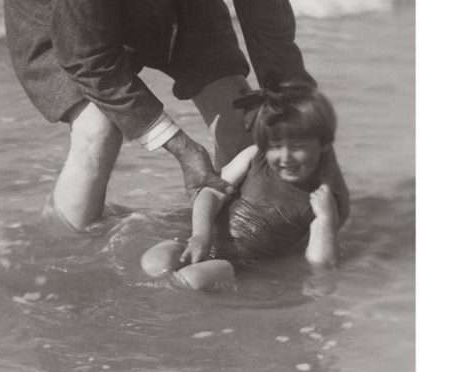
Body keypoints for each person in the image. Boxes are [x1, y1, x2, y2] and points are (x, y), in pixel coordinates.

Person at [3, 0, 319, 231]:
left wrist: (293, 111)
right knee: (98, 132)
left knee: (238, 111)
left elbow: (269, 29)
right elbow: (88, 61)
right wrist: (183, 149)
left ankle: (238, 231)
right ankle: (67, 256)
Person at [141, 79, 350, 289]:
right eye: (276, 146)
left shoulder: (320, 198)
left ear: (323, 144)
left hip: (237, 267)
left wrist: (325, 219)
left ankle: (171, 304)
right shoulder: (255, 157)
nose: (286, 157)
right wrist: (200, 235)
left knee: (191, 280)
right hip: (199, 244)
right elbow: (211, 193)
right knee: (156, 261)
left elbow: (321, 264)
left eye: (297, 147)